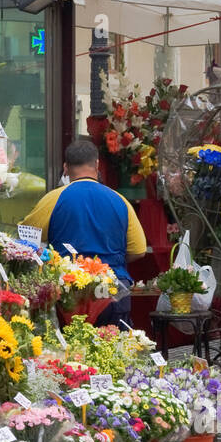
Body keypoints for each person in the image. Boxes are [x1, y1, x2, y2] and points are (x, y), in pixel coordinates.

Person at [22, 139, 148, 326]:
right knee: (116, 351)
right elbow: (139, 250)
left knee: (71, 351)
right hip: (113, 290)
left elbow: (26, 239)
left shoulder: (53, 199)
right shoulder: (120, 200)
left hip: (69, 292)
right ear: (97, 165)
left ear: (65, 168)